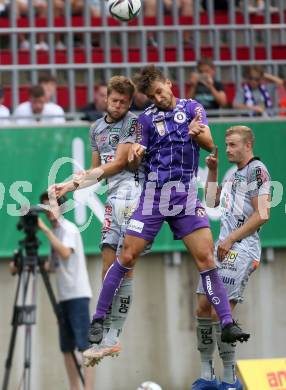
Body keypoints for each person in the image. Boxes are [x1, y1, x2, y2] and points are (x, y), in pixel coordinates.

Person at [57, 65, 250, 349]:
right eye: (151, 95)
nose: (157, 98)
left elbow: (210, 145)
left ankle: (226, 323)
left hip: (184, 195)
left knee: (207, 259)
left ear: (169, 84)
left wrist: (197, 133)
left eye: (160, 91)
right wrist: (136, 154)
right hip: (154, 195)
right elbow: (134, 161)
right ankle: (98, 319)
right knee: (127, 255)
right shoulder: (145, 121)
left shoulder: (193, 108)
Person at [50, 76, 145, 364]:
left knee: (125, 266)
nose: (117, 106)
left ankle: (112, 331)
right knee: (107, 268)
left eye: (123, 102)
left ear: (130, 103)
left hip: (132, 194)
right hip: (112, 197)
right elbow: (95, 172)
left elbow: (118, 164)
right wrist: (71, 184)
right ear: (105, 97)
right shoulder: (96, 128)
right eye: (114, 100)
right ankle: (107, 335)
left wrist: (71, 184)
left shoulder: (132, 123)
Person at [192, 126, 271, 390]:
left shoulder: (256, 170)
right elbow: (211, 203)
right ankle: (206, 374)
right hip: (223, 247)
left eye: (233, 145)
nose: (227, 150)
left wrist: (230, 239)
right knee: (203, 307)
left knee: (219, 311)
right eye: (226, 145)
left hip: (242, 248)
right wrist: (213, 171)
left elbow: (262, 214)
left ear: (248, 145)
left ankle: (229, 378)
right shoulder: (235, 174)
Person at [38, 191, 94, 390]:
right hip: (63, 298)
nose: (49, 210)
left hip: (77, 295)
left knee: (85, 347)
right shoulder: (57, 232)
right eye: (45, 206)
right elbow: (52, 266)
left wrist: (45, 231)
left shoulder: (68, 229)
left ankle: (88, 388)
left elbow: (64, 253)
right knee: (66, 348)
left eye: (52, 205)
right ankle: (74, 388)